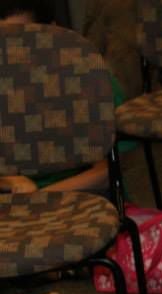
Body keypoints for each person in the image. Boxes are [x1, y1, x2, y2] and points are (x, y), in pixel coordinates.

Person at [0, 0, 130, 198]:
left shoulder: (89, 79)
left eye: (25, 38)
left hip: (80, 197)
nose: (13, 53)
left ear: (53, 33)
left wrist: (37, 198)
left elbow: (108, 171)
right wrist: (9, 181)